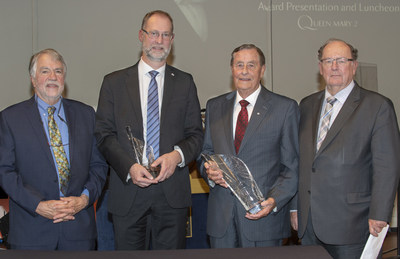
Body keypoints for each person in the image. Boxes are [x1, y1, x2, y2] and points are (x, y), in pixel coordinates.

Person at [95, 10, 203, 250]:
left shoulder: (185, 82)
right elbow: (104, 135)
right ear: (141, 36)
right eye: (154, 33)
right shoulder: (113, 83)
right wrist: (130, 167)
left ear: (172, 41)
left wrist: (177, 156)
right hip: (128, 191)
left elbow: (196, 134)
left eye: (165, 35)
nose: (159, 40)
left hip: (171, 193)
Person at [291, 38, 400, 259]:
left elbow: (387, 166)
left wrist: (380, 213)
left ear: (354, 66)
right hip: (310, 223)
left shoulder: (377, 106)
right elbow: (299, 161)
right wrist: (296, 208)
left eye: (341, 60)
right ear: (320, 68)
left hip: (354, 223)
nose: (334, 66)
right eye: (328, 60)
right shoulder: (306, 105)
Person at [0, 48, 108, 250]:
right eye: (45, 71)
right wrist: (39, 205)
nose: (52, 77)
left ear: (64, 77)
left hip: (78, 231)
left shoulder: (86, 115)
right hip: (31, 233)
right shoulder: (10, 119)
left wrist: (83, 200)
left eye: (58, 71)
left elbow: (99, 166)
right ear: (33, 79)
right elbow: (4, 171)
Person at [199, 44, 299, 248]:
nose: (244, 71)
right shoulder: (214, 106)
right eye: (239, 65)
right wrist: (209, 171)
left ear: (262, 70)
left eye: (251, 65)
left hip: (263, 220)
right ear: (232, 69)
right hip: (222, 222)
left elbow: (292, 166)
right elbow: (206, 153)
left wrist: (274, 201)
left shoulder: (285, 108)